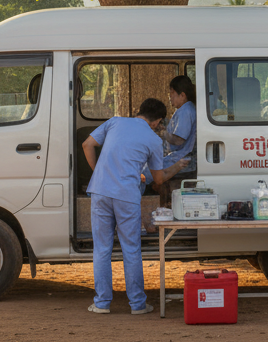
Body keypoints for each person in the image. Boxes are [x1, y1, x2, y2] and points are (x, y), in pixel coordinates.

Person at [82, 98, 168, 315]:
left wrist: (99, 171)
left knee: (102, 248)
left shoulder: (114, 122)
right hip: (126, 196)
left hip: (100, 190)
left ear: (139, 111)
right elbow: (158, 179)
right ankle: (138, 305)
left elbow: (87, 144)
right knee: (131, 249)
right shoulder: (153, 139)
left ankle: (102, 303)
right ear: (156, 121)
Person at [156, 75, 197, 207]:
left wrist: (163, 133)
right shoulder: (183, 110)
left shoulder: (186, 111)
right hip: (176, 157)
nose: (170, 97)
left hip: (181, 159)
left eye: (172, 94)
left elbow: (179, 140)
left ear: (183, 95)